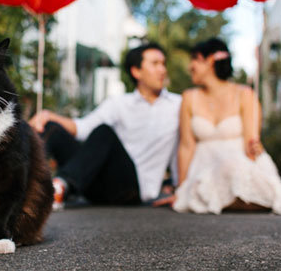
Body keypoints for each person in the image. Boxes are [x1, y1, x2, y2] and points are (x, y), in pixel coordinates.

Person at [155, 38, 281, 214]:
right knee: (214, 181)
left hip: (239, 163)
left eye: (194, 60)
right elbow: (186, 146)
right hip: (204, 168)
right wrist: (181, 189)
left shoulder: (245, 94)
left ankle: (280, 196)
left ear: (210, 61)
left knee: (234, 168)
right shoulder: (189, 97)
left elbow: (251, 142)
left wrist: (260, 170)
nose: (190, 67)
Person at [29, 43, 181, 209]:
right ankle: (19, 189)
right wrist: (47, 115)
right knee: (51, 127)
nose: (163, 70)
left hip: (133, 190)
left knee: (105, 132)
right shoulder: (119, 103)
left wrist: (180, 190)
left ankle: (58, 187)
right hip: (99, 185)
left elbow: (185, 148)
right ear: (136, 71)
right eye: (155, 63)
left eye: (163, 63)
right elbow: (83, 128)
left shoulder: (177, 105)